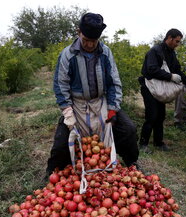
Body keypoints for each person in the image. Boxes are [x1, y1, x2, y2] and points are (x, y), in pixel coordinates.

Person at [45, 12, 139, 179]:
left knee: (128, 129)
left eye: (93, 41)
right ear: (78, 32)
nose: (89, 44)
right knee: (61, 142)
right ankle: (52, 171)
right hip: (77, 104)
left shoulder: (105, 53)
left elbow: (114, 82)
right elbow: (61, 85)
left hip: (101, 101)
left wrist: (112, 109)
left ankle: (132, 162)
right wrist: (67, 113)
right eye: (86, 40)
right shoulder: (68, 55)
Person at [138, 28, 186, 152]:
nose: (178, 44)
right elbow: (151, 69)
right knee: (151, 116)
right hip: (149, 87)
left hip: (160, 88)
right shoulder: (155, 51)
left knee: (161, 116)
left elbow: (177, 70)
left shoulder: (171, 53)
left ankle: (158, 143)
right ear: (169, 38)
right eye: (176, 41)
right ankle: (143, 144)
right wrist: (170, 76)